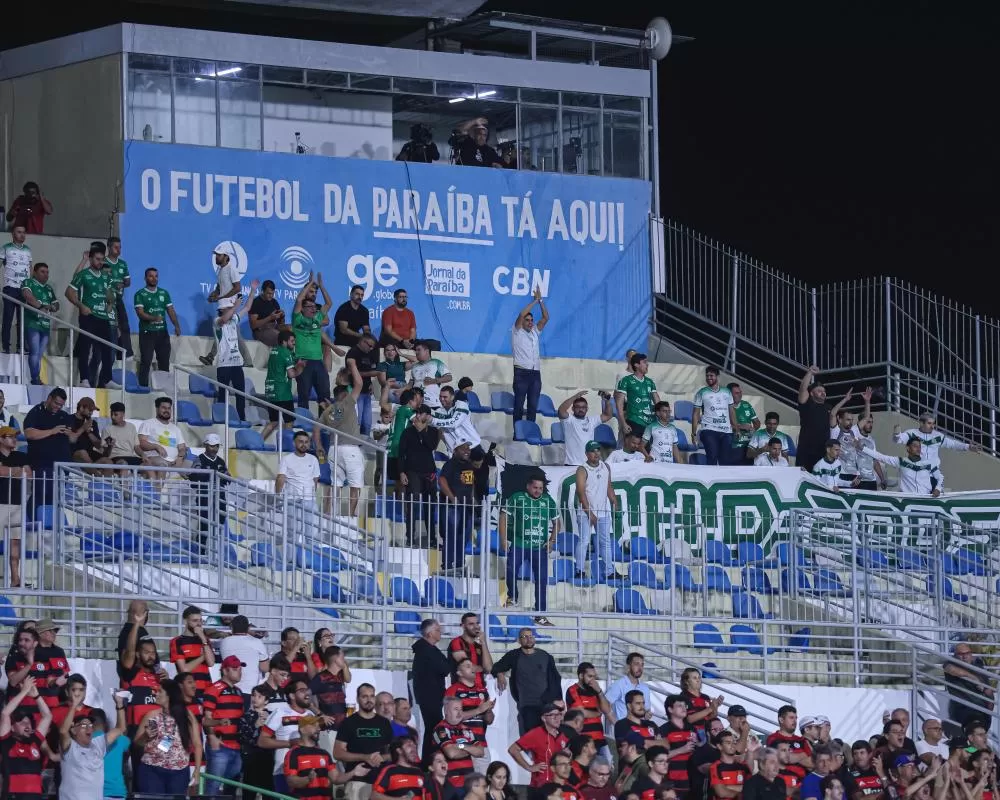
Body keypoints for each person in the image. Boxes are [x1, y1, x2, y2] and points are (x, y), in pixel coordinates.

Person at [500, 476, 561, 625]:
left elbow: (557, 523)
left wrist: (551, 541)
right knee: (511, 569)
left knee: (542, 580)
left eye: (540, 488)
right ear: (528, 486)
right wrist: (503, 539)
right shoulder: (517, 498)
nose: (538, 491)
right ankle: (512, 597)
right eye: (535, 487)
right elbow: (503, 517)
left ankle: (540, 614)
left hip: (539, 547)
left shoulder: (548, 500)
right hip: (519, 543)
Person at [134, 678, 202, 795]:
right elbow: (136, 744)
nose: (156, 694)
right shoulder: (151, 715)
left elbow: (197, 744)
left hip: (179, 772)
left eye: (160, 691)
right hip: (151, 769)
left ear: (169, 695)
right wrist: (145, 736)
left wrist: (197, 770)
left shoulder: (187, 716)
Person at [58, 689, 127, 800]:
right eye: (84, 725)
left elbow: (120, 728)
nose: (89, 728)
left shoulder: (98, 744)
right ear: (73, 730)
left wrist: (119, 704)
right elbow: (63, 731)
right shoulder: (70, 747)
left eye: (90, 725)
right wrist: (74, 706)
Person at [491, 628, 563, 735]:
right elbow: (496, 667)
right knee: (529, 738)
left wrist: (558, 700)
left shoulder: (545, 656)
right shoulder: (514, 655)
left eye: (531, 636)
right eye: (524, 637)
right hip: (527, 706)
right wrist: (499, 674)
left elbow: (555, 679)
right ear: (518, 640)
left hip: (546, 705)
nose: (528, 639)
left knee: (549, 736)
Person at [66, 242, 116, 389]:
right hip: (88, 317)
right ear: (91, 259)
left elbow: (110, 295)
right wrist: (81, 306)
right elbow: (69, 292)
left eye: (102, 259)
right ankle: (84, 379)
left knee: (107, 350)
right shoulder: (84, 275)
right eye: (97, 259)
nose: (100, 262)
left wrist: (109, 305)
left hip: (103, 318)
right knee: (85, 348)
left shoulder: (106, 276)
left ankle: (107, 379)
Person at [318, 365, 366, 516]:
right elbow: (359, 384)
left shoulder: (328, 410)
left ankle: (328, 514)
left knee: (335, 484)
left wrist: (319, 445)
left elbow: (316, 428)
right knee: (355, 485)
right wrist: (353, 364)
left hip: (333, 449)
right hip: (350, 449)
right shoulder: (348, 403)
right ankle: (351, 516)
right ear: (345, 394)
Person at [285, 715, 370, 799]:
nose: (318, 729)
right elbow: (291, 781)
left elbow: (336, 778)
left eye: (318, 726)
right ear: (302, 729)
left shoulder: (324, 754)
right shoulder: (293, 753)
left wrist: (353, 772)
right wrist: (307, 779)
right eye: (314, 726)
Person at [334, 683, 394, 800]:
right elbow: (337, 753)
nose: (369, 700)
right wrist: (365, 757)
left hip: (381, 783)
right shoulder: (348, 723)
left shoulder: (384, 723)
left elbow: (393, 753)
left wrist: (383, 757)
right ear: (357, 699)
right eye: (364, 696)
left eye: (372, 696)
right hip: (357, 781)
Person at [23, 387, 80, 505]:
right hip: (42, 464)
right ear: (49, 398)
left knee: (56, 499)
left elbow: (73, 439)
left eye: (61, 405)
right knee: (40, 497)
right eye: (56, 403)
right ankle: (34, 516)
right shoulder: (36, 412)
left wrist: (71, 434)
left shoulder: (64, 415)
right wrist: (52, 431)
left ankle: (51, 517)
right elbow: (29, 433)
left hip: (63, 466)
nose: (58, 407)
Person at [258, 676, 315, 793]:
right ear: (292, 695)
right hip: (284, 771)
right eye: (302, 690)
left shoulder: (310, 715)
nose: (307, 693)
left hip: (308, 771)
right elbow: (262, 741)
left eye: (308, 690)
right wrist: (289, 743)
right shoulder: (280, 713)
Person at [203, 655, 250, 795]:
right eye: (235, 669)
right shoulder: (213, 689)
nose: (239, 672)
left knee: (231, 789)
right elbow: (207, 717)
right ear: (224, 671)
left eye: (240, 669)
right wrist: (212, 738)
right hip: (220, 746)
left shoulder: (238, 691)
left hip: (236, 746)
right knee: (213, 787)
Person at [214, 280, 258, 422]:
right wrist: (235, 306)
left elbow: (247, 307)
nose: (231, 311)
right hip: (224, 365)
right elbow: (224, 318)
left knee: (241, 395)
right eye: (228, 308)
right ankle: (221, 420)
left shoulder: (234, 319)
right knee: (222, 395)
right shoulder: (217, 322)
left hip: (237, 364)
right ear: (222, 310)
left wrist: (252, 290)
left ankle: (242, 419)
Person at [1, 677, 52, 799]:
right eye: (22, 722)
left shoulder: (35, 741)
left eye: (28, 722)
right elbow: (5, 714)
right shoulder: (7, 742)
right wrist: (24, 691)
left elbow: (47, 716)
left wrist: (36, 696)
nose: (27, 725)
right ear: (12, 727)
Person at [574, 441, 618, 581]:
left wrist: (614, 500)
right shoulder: (582, 469)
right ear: (587, 454)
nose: (596, 453)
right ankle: (579, 571)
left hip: (603, 511)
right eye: (593, 451)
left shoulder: (606, 467)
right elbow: (581, 493)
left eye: (598, 450)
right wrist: (590, 513)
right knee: (584, 541)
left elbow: (608, 486)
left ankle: (609, 572)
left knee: (606, 542)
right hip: (585, 512)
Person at [411, 619, 453, 763]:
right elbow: (445, 668)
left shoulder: (427, 649)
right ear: (429, 633)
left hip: (431, 695)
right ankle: (429, 762)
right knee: (434, 729)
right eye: (437, 630)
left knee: (432, 729)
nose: (440, 632)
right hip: (430, 696)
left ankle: (430, 761)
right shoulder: (427, 650)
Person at [399, 404, 440, 546]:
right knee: (413, 505)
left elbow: (431, 446)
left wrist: (422, 431)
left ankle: (432, 538)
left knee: (430, 506)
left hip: (429, 472)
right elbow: (401, 454)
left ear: (428, 416)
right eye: (416, 413)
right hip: (412, 471)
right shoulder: (407, 432)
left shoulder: (433, 431)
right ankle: (410, 538)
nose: (417, 415)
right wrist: (402, 472)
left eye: (420, 413)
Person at [133, 266, 180, 386]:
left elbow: (171, 311)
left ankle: (163, 388)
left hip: (162, 333)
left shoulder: (164, 293)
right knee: (146, 361)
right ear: (145, 278)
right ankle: (142, 388)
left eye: (156, 276)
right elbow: (140, 313)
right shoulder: (140, 294)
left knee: (164, 362)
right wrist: (154, 318)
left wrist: (176, 325)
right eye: (151, 276)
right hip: (147, 332)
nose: (154, 278)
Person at [444, 659, 494, 772]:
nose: (472, 668)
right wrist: (478, 710)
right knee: (462, 779)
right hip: (460, 744)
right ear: (459, 673)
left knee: (482, 779)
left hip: (480, 744)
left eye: (473, 666)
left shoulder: (482, 690)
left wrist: (488, 711)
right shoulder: (453, 690)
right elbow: (451, 719)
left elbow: (489, 721)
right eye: (467, 666)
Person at [292, 273, 334, 407]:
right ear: (303, 309)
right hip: (303, 361)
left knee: (325, 396)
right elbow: (299, 300)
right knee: (304, 396)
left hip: (318, 362)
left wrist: (321, 286)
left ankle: (325, 420)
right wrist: (310, 283)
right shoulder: (297, 319)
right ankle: (302, 419)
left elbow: (329, 303)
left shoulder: (318, 319)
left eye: (314, 307)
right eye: (310, 307)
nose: (313, 309)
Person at [508, 702, 571, 788]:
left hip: (560, 782)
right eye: (552, 715)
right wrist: (529, 767)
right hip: (542, 784)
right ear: (544, 718)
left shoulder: (563, 734)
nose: (557, 718)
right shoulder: (536, 734)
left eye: (558, 714)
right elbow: (513, 749)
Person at [856, 437, 943, 496]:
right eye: (915, 446)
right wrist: (863, 448)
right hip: (907, 500)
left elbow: (940, 477)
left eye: (919, 447)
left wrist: (938, 488)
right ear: (908, 448)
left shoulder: (928, 463)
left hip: (925, 499)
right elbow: (881, 457)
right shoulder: (901, 461)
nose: (918, 449)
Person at [511, 287, 549, 423]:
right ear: (522, 322)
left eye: (531, 320)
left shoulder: (535, 332)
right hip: (521, 373)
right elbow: (521, 314)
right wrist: (534, 301)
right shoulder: (517, 331)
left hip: (535, 373)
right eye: (527, 320)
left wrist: (541, 301)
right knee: (519, 405)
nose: (530, 322)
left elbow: (546, 318)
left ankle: (530, 431)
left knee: (533, 406)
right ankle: (517, 432)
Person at [438, 441, 476, 574]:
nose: (467, 450)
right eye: (463, 448)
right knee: (450, 537)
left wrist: (472, 500)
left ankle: (459, 567)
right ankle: (447, 567)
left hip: (466, 507)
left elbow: (470, 484)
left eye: (468, 448)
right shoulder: (451, 464)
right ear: (455, 450)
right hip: (452, 507)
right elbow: (442, 480)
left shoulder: (469, 465)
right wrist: (452, 498)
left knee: (463, 538)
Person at [565, 662, 614, 763]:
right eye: (590, 676)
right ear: (581, 676)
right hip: (583, 741)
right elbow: (581, 713)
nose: (593, 680)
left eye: (594, 677)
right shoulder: (572, 690)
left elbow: (606, 710)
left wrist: (599, 691)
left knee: (608, 765)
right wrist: (597, 713)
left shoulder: (595, 690)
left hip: (600, 739)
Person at [0, 425, 30, 586]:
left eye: (15, 436)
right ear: (1, 439)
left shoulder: (20, 456)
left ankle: (15, 579)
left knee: (15, 542)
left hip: (17, 504)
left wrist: (9, 471)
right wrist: (16, 471)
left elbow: (28, 474)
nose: (14, 439)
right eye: (10, 436)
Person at [262, 330, 305, 442]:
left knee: (273, 422)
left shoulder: (274, 351)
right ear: (284, 342)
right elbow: (291, 374)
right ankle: (287, 446)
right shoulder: (286, 353)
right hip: (283, 392)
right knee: (289, 422)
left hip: (271, 391)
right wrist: (300, 367)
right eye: (292, 341)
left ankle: (259, 441)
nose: (294, 343)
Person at [435, 696, 485, 788]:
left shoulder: (466, 729)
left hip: (468, 783)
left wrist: (460, 746)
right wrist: (471, 750)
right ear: (446, 711)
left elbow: (481, 752)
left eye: (461, 709)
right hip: (450, 784)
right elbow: (452, 753)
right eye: (456, 709)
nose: (459, 713)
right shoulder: (440, 729)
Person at [20, 261, 58, 384]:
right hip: (32, 323)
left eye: (47, 272)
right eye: (42, 272)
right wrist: (41, 307)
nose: (46, 275)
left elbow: (56, 304)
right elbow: (27, 296)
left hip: (45, 325)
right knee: (35, 352)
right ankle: (35, 379)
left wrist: (52, 307)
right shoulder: (28, 282)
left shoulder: (49, 288)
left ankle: (36, 378)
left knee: (40, 354)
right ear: (34, 273)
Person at [691, 367, 736, 466]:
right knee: (712, 456)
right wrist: (693, 434)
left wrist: (736, 428)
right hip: (709, 430)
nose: (709, 378)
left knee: (725, 461)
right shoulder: (701, 392)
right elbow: (695, 414)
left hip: (726, 431)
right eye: (707, 376)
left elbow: (731, 411)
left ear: (717, 377)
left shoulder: (727, 392)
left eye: (711, 376)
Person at [558, 391, 614, 467]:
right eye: (578, 407)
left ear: (587, 409)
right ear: (573, 408)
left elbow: (608, 415)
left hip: (589, 465)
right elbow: (561, 410)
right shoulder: (569, 420)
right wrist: (575, 396)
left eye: (583, 407)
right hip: (572, 464)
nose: (581, 409)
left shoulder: (592, 420)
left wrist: (607, 401)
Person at [2, 224, 33, 355]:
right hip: (10, 288)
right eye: (19, 232)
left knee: (23, 320)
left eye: (24, 232)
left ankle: (21, 346)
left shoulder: (28, 250)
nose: (22, 235)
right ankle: (5, 346)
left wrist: (30, 286)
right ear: (13, 234)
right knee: (8, 318)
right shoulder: (6, 248)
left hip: (23, 290)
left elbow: (30, 268)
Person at [220, 614, 270, 695]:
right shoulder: (257, 642)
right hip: (249, 689)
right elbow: (265, 668)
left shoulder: (224, 642)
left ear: (231, 627)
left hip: (229, 688)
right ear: (248, 628)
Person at [616, 353, 660, 440]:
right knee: (633, 446)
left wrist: (661, 419)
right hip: (634, 420)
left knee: (648, 448)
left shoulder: (650, 382)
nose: (647, 364)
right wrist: (623, 423)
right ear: (636, 365)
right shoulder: (626, 380)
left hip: (650, 422)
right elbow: (619, 403)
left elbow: (657, 401)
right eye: (644, 362)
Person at [796, 367, 832, 473]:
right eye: (819, 391)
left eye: (824, 391)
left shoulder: (828, 407)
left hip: (823, 450)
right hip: (806, 451)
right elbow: (803, 389)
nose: (823, 393)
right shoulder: (807, 404)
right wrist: (810, 373)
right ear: (811, 393)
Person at [448, 612, 494, 693]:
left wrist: (483, 642)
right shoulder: (456, 642)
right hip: (462, 691)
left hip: (481, 690)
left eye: (477, 623)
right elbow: (467, 667)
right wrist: (481, 668)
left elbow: (489, 669)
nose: (476, 627)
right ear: (463, 626)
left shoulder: (479, 646)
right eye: (471, 624)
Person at [102, 237, 132, 360]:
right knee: (107, 326)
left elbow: (128, 281)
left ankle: (126, 354)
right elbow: (102, 279)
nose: (118, 250)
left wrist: (123, 284)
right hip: (106, 299)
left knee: (124, 324)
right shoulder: (103, 262)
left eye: (120, 247)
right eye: (116, 247)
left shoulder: (123, 264)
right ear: (109, 247)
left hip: (118, 299)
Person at [606, 652, 651, 722]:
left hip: (639, 727)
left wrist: (646, 714)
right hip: (623, 727)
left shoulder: (645, 688)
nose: (640, 668)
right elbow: (605, 706)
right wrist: (616, 724)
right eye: (636, 664)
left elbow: (646, 710)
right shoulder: (618, 685)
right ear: (628, 667)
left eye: (642, 665)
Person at [410, 342, 452, 410]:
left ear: (427, 351)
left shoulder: (437, 362)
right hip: (416, 404)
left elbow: (449, 377)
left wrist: (434, 380)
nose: (416, 352)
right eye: (416, 350)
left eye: (419, 350)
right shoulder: (414, 366)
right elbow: (410, 384)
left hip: (433, 403)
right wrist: (401, 390)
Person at [727, 383, 760, 465]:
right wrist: (740, 426)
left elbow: (757, 422)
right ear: (729, 395)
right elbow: (721, 427)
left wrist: (753, 429)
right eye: (736, 393)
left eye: (740, 392)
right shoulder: (723, 407)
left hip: (748, 446)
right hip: (733, 446)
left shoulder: (746, 405)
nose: (740, 395)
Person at [250, 280, 285, 348]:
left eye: (272, 293)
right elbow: (253, 325)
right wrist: (270, 318)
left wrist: (282, 316)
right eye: (268, 293)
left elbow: (280, 323)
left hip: (273, 328)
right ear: (262, 291)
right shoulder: (256, 302)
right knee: (279, 336)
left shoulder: (274, 302)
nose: (271, 296)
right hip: (260, 331)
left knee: (290, 331)